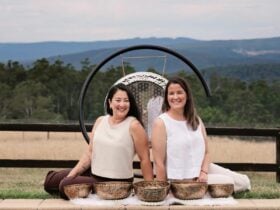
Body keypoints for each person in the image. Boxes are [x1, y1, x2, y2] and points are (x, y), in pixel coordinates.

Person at [44, 83, 154, 199]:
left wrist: (149, 188)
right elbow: (89, 153)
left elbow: (145, 159)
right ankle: (76, 184)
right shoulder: (100, 121)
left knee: (65, 185)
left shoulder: (134, 125)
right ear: (110, 103)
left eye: (126, 101)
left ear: (130, 104)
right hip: (94, 173)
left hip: (116, 182)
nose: (122, 104)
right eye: (118, 100)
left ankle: (82, 188)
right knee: (51, 181)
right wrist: (72, 175)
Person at [151, 77, 251, 193]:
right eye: (171, 93)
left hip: (202, 169)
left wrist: (203, 172)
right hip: (181, 178)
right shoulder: (161, 123)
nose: (175, 97)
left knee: (244, 182)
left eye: (179, 92)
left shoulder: (196, 120)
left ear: (187, 95)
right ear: (166, 97)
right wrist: (163, 190)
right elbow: (159, 162)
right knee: (229, 182)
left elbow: (207, 152)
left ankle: (202, 191)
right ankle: (193, 191)